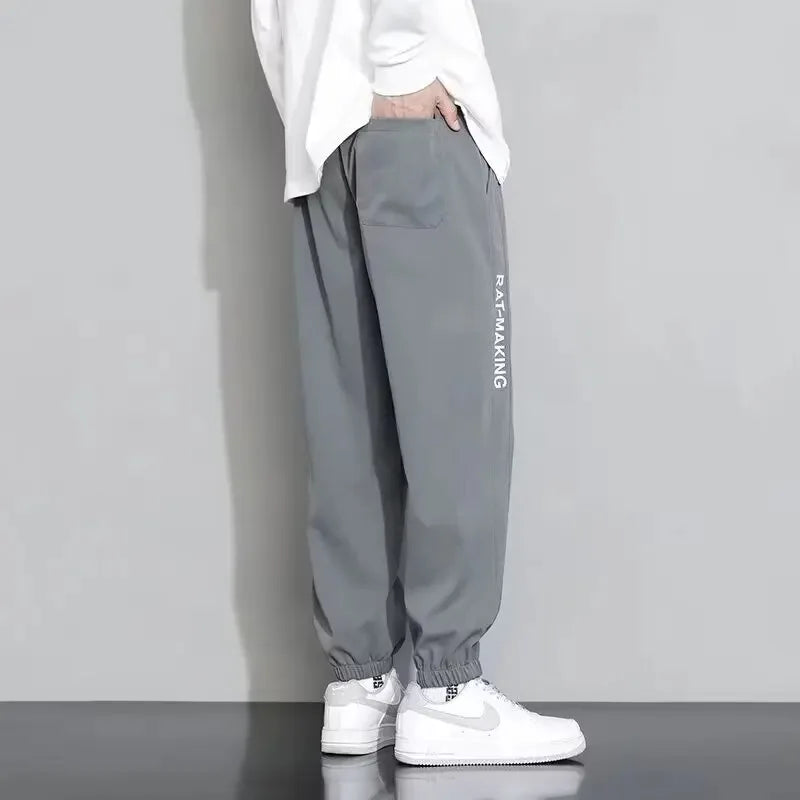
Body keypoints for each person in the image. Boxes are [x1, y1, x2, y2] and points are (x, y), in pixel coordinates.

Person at [251, 0, 586, 766]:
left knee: (349, 417)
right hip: (408, 117)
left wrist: (311, 109)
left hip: (322, 137)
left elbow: (268, 15)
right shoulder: (404, 86)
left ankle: (360, 682)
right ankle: (447, 692)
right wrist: (402, 67)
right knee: (455, 416)